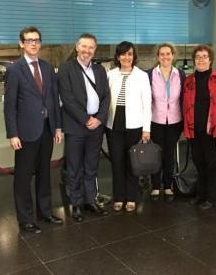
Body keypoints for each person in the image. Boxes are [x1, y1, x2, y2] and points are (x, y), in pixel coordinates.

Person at [4, 27, 63, 234]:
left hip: (47, 130)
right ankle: (26, 218)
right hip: (25, 132)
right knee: (23, 177)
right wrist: (12, 133)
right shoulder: (14, 70)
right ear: (21, 43)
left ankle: (44, 212)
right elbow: (9, 105)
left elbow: (53, 100)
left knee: (45, 174)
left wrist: (57, 126)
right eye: (29, 40)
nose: (33, 44)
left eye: (37, 40)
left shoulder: (47, 68)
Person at [57, 33, 110, 222]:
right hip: (75, 126)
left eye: (91, 48)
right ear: (77, 47)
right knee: (74, 168)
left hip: (96, 126)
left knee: (91, 166)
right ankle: (77, 204)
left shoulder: (100, 70)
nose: (87, 51)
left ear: (94, 50)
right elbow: (67, 99)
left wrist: (99, 119)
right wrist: (86, 119)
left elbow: (106, 98)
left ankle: (90, 200)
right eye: (84, 47)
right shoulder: (65, 69)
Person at [183, 44, 216, 210]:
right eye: (198, 57)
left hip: (213, 131)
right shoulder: (189, 81)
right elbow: (185, 106)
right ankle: (200, 194)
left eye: (204, 56)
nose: (201, 59)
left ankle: (211, 197)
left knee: (212, 166)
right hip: (195, 130)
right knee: (199, 164)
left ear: (210, 60)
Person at [106, 41, 151, 212]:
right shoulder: (110, 74)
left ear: (134, 56)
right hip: (114, 124)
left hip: (135, 124)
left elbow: (147, 103)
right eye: (123, 54)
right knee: (116, 162)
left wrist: (146, 128)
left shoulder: (142, 76)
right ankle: (118, 197)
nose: (127, 57)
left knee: (133, 163)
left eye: (130, 54)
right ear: (118, 57)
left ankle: (131, 197)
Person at [147, 43, 185, 201]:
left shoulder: (180, 75)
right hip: (155, 121)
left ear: (173, 55)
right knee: (156, 154)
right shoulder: (149, 74)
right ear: (157, 57)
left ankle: (168, 186)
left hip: (175, 121)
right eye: (162, 54)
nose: (165, 57)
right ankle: (156, 187)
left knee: (169, 154)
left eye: (168, 54)